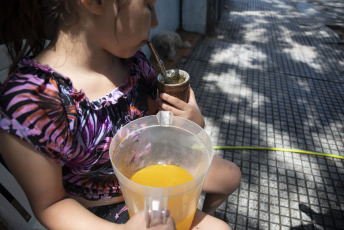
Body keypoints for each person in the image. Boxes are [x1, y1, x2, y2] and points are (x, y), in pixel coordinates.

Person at [0, 0, 241, 229]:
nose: (156, 21)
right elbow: (50, 205)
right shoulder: (32, 101)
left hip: (147, 168)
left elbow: (155, 123)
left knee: (231, 175)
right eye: (148, 5)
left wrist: (191, 123)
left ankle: (202, 214)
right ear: (95, 2)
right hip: (101, 209)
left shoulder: (134, 63)